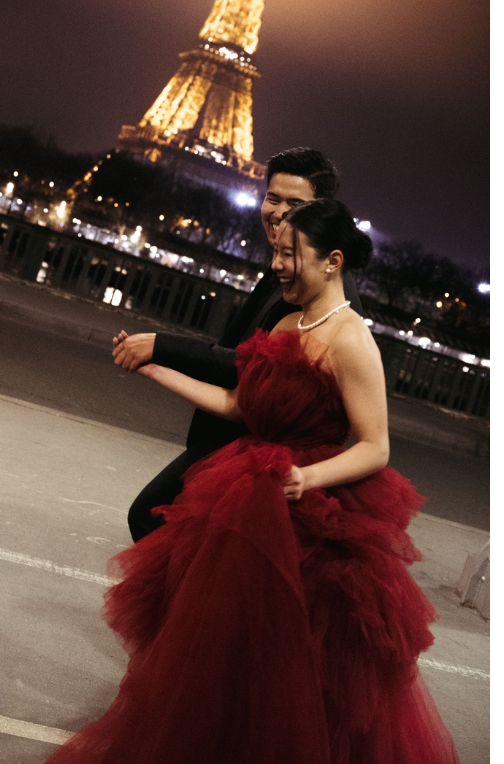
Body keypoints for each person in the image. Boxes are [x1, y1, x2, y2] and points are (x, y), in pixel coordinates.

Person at [46, 199, 459, 764]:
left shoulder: (351, 340)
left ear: (332, 261)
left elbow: (375, 447)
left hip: (307, 515)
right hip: (245, 494)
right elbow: (239, 405)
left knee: (293, 672)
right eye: (276, 251)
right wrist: (155, 368)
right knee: (228, 656)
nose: (278, 263)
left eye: (291, 254)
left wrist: (306, 477)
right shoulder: (288, 321)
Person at [112, 147, 365, 543]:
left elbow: (245, 368)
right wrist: (158, 364)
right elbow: (248, 376)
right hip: (242, 435)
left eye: (295, 204)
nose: (279, 212)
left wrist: (162, 348)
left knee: (155, 521)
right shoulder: (288, 268)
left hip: (258, 451)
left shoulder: (315, 291)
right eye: (273, 198)